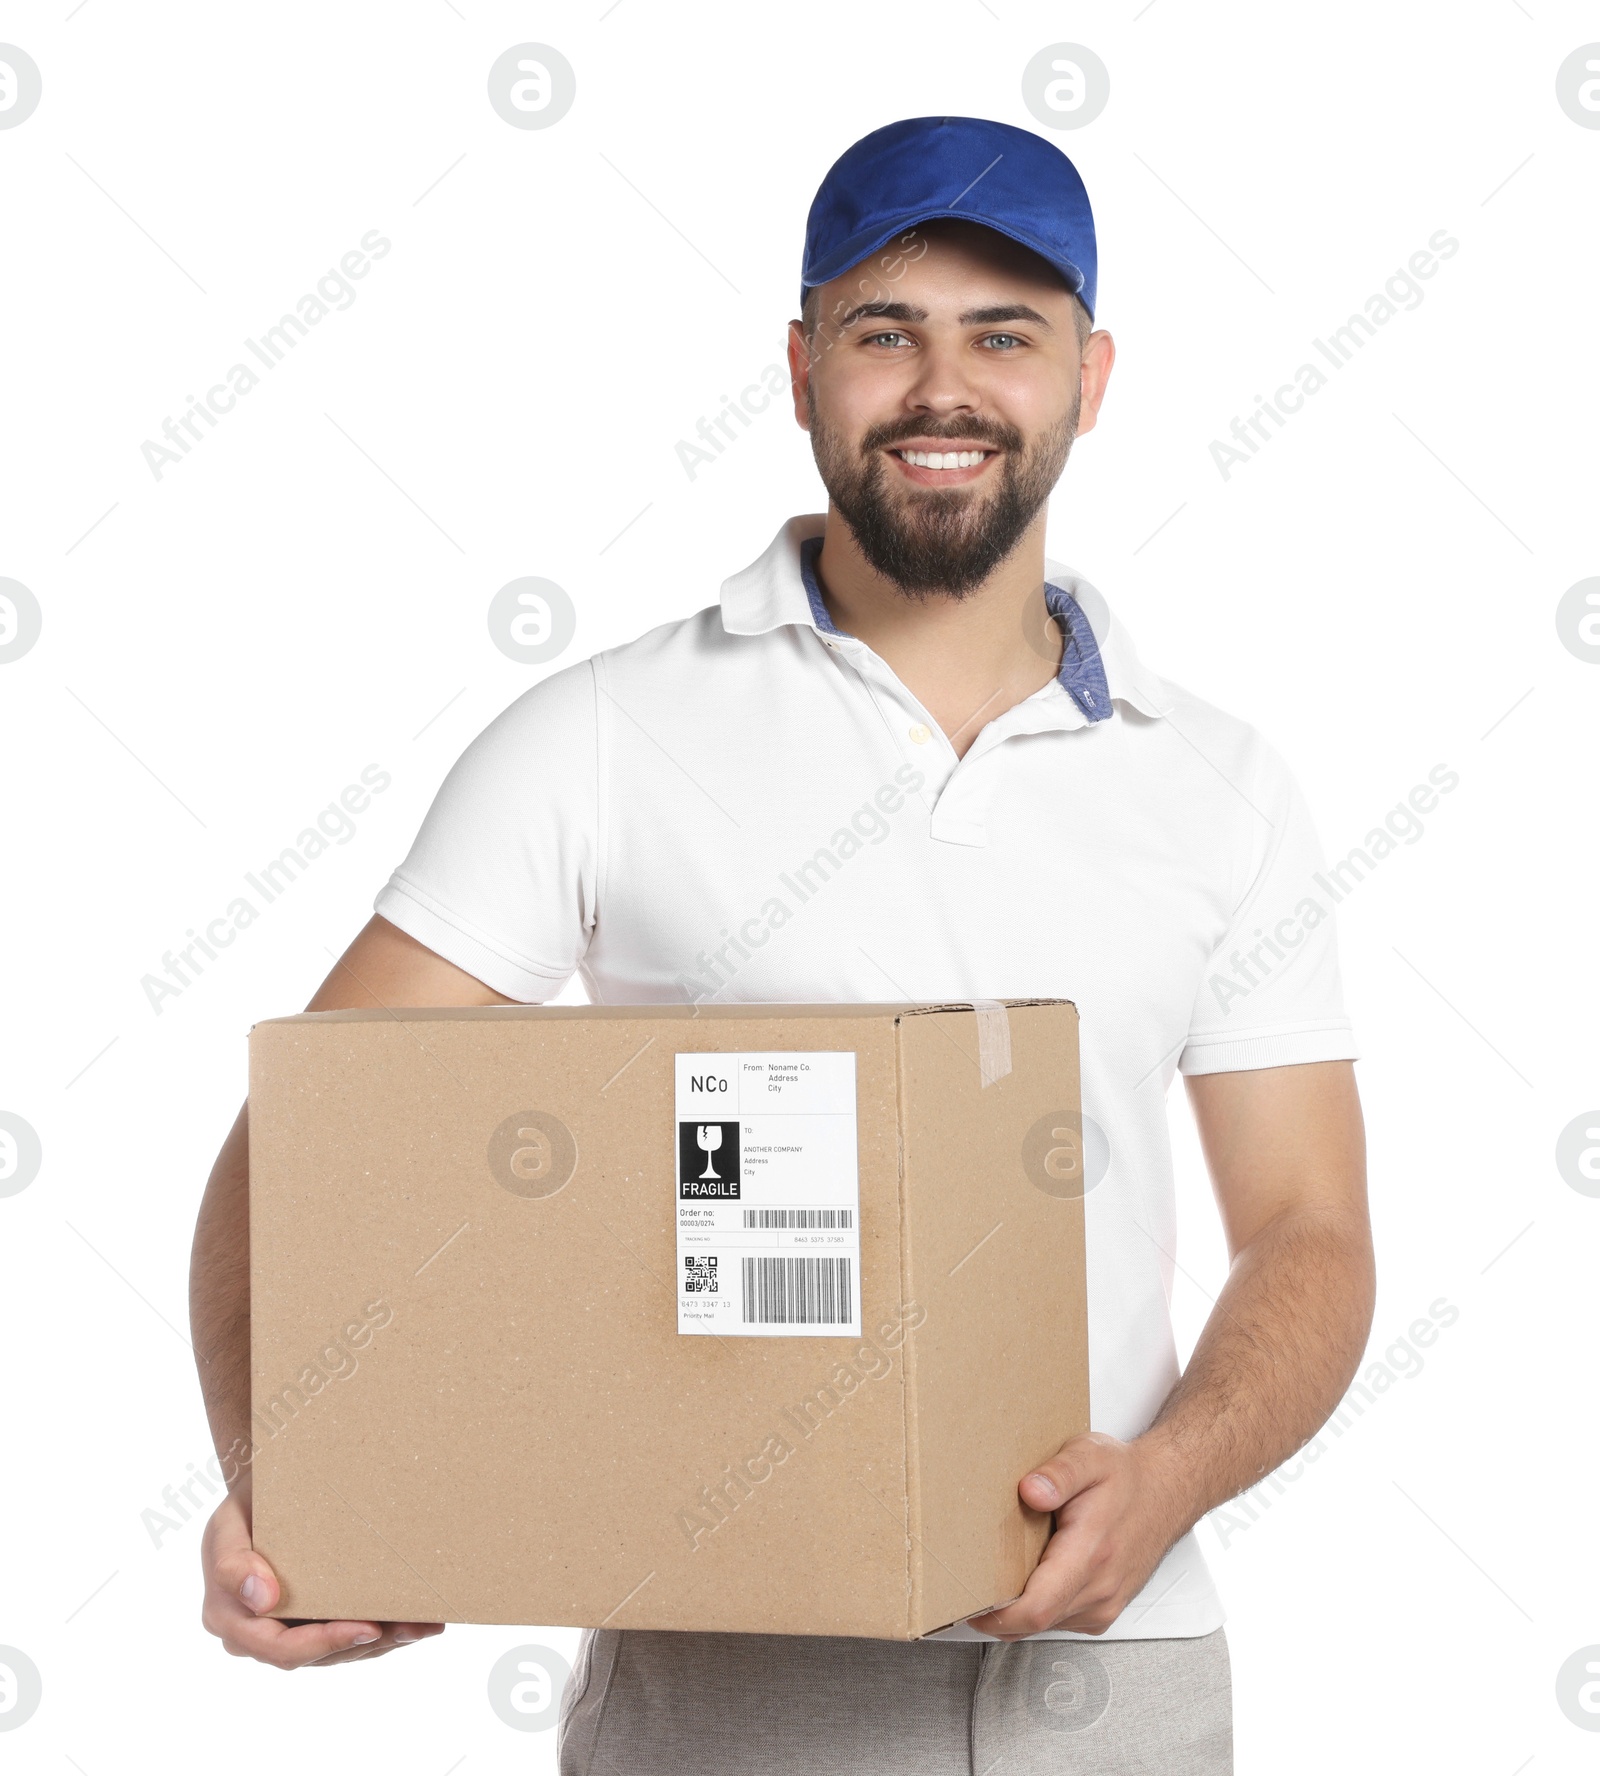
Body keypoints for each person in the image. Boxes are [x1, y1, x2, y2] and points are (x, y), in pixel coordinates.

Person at [190, 115, 1373, 1773]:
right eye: (887, 333)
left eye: (1004, 336)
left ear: (1090, 380)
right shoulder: (605, 734)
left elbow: (1311, 1233)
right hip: (728, 1678)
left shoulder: (1220, 784)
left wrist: (1165, 1480)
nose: (942, 388)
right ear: (804, 368)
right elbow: (301, 1143)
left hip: (1123, 1683)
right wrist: (293, 1479)